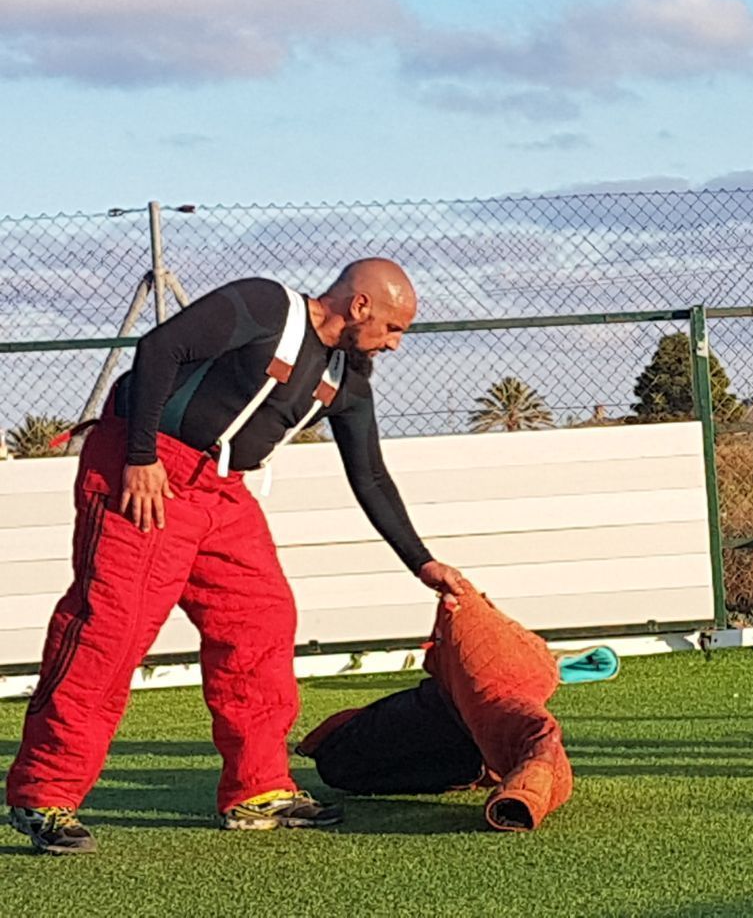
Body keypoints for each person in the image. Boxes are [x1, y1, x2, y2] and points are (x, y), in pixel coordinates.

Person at [6, 259, 473, 854]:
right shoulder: (264, 305)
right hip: (144, 473)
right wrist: (141, 454)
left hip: (223, 491)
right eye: (392, 328)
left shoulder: (345, 375)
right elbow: (158, 348)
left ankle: (258, 791)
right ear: (360, 306)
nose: (395, 344)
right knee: (110, 631)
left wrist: (421, 561)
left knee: (262, 620)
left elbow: (371, 475)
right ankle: (44, 794)